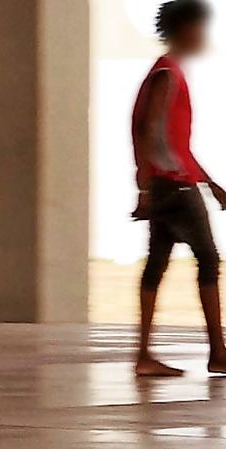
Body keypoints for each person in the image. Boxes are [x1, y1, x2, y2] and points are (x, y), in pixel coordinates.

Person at [131, 0, 226, 376]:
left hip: (166, 184)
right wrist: (148, 186)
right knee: (209, 260)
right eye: (200, 28)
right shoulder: (168, 74)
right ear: (186, 30)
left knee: (156, 264)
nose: (203, 36)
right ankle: (218, 352)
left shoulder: (164, 70)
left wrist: (211, 183)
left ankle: (143, 356)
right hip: (175, 187)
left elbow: (173, 142)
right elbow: (153, 131)